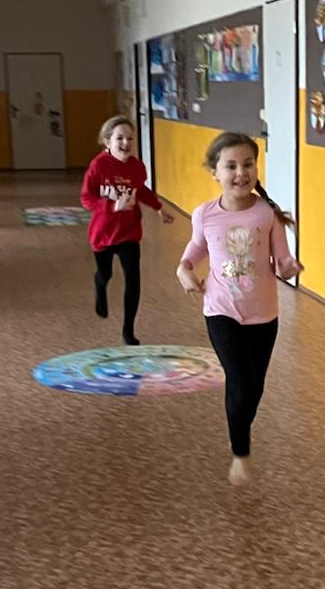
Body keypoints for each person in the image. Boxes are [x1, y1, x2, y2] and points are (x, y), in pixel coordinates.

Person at [176, 131, 301, 485]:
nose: (241, 172)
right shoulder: (205, 215)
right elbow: (195, 250)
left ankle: (238, 425)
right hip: (221, 310)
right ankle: (240, 454)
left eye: (248, 164)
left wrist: (290, 267)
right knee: (241, 383)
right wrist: (184, 269)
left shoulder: (266, 214)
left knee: (254, 388)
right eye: (230, 166)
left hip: (264, 314)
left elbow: (282, 259)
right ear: (214, 172)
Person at [81, 116, 173, 346]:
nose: (126, 143)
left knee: (133, 280)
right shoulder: (98, 166)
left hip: (129, 233)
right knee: (106, 274)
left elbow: (141, 190)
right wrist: (111, 206)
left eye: (130, 138)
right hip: (103, 233)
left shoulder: (137, 167)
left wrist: (159, 208)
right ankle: (100, 285)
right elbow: (86, 198)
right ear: (107, 142)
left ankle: (128, 330)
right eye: (120, 138)